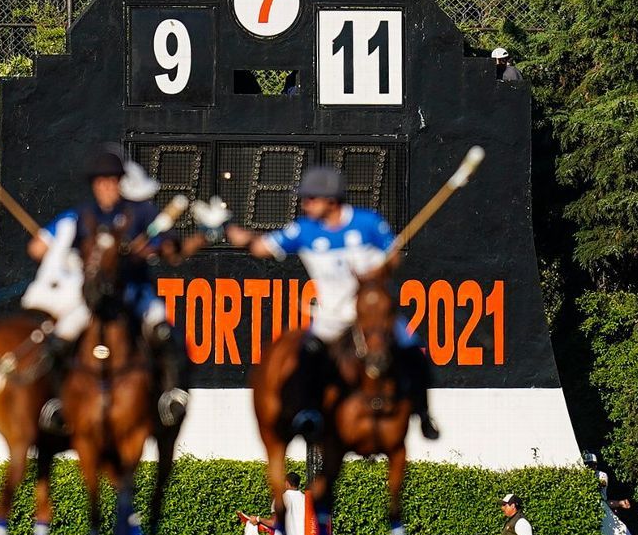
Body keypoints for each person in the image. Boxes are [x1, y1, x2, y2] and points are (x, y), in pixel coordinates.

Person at [224, 166, 439, 440]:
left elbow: (394, 257)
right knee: (307, 355)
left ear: (332, 200)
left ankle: (423, 411)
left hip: (371, 314)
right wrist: (227, 228)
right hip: (333, 316)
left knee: (411, 350)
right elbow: (260, 247)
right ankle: (308, 412)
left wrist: (380, 271)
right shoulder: (304, 230)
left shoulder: (368, 223)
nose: (305, 204)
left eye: (311, 198)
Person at [25, 143, 192, 431]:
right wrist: (63, 253)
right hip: (91, 297)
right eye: (101, 182)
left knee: (163, 330)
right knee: (59, 338)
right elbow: (38, 249)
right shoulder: (81, 217)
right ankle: (56, 401)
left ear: (120, 183)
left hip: (133, 290)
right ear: (94, 185)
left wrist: (162, 245)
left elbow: (169, 244)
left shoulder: (140, 212)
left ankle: (172, 395)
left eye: (112, 181)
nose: (107, 187)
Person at [584, 452, 638, 535]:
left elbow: (602, 498)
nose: (590, 467)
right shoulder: (582, 478)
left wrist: (619, 503)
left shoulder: (601, 475)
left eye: (592, 464)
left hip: (602, 509)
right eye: (587, 464)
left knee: (622, 529)